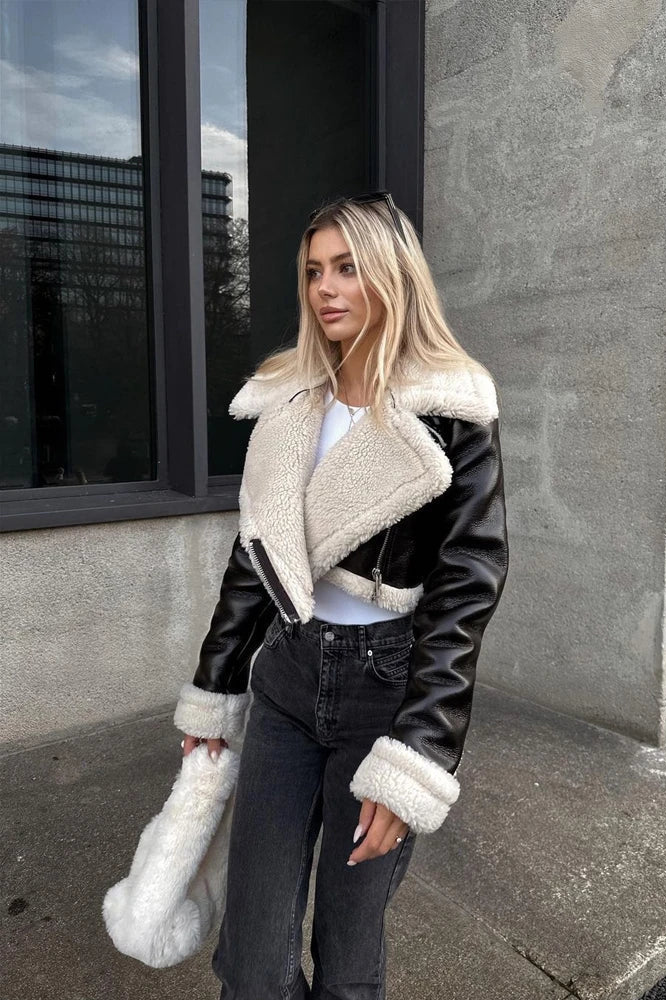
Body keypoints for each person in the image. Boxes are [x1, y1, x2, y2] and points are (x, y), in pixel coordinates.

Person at [173, 191, 509, 1000]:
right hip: (288, 680)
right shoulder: (288, 401)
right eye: (314, 270)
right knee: (251, 961)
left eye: (348, 268)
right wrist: (214, 691)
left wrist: (419, 751)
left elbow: (469, 580)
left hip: (387, 691)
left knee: (349, 956)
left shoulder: (452, 407)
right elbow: (255, 558)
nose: (325, 287)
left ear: (392, 274)